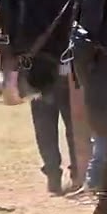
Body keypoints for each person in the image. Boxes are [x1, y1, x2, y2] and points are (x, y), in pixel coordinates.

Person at [30, 62, 78, 195]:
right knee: (49, 129)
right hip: (58, 72)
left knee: (46, 129)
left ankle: (60, 176)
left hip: (46, 74)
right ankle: (63, 175)